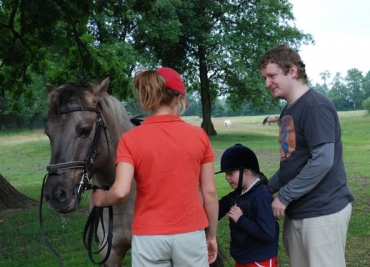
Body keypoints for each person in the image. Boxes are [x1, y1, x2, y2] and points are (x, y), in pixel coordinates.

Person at [91, 67, 219, 266]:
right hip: (191, 235)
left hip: (149, 237)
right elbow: (209, 192)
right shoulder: (199, 136)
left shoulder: (130, 139)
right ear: (179, 98)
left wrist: (101, 199)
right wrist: (211, 236)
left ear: (147, 99)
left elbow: (121, 191)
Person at [256, 44, 355, 267]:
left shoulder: (315, 106)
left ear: (292, 71)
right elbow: (290, 163)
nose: (267, 83)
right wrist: (263, 190)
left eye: (272, 75)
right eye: (264, 78)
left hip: (323, 212)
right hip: (297, 211)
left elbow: (322, 160)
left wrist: (284, 196)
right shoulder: (289, 110)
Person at [216, 144, 279, 267]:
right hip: (242, 259)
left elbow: (267, 233)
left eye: (230, 173)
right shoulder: (236, 195)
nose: (226, 178)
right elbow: (216, 210)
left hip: (260, 261)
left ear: (246, 171)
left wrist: (240, 219)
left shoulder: (262, 198)